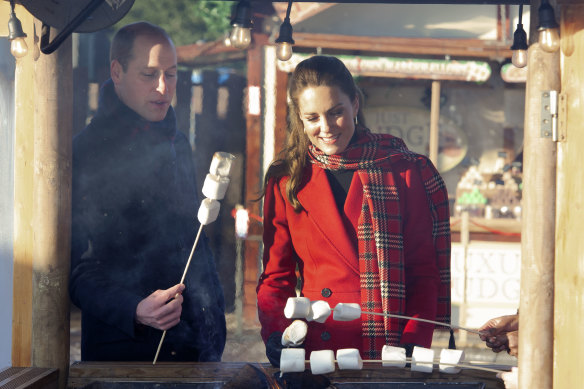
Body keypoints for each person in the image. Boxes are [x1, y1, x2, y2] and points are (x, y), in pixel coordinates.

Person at [256, 55, 451, 365]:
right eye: (313, 118)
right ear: (299, 118)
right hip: (316, 352)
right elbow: (276, 278)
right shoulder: (287, 178)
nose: (326, 128)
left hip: (390, 349)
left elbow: (423, 273)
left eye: (336, 113)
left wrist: (413, 343)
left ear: (355, 105)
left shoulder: (405, 171)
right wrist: (277, 334)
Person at [70, 21, 226, 362]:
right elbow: (75, 267)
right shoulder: (87, 151)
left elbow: (192, 238)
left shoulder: (178, 142)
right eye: (148, 74)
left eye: (171, 74)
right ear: (117, 71)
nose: (163, 87)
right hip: (126, 350)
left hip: (194, 344)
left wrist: (212, 312)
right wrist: (135, 309)